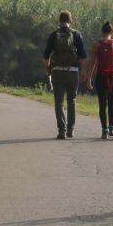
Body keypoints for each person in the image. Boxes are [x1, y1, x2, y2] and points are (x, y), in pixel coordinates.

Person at [42, 10, 88, 139]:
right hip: (73, 72)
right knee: (71, 101)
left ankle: (61, 131)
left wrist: (50, 68)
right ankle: (70, 130)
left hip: (57, 72)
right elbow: (83, 56)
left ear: (59, 21)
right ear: (70, 21)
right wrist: (84, 70)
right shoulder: (76, 35)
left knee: (59, 102)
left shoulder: (53, 35)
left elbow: (46, 58)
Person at [85, 21, 113, 139]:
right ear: (112, 32)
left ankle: (104, 130)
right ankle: (111, 129)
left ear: (102, 32)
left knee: (102, 104)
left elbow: (92, 63)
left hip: (101, 77)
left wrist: (89, 78)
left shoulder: (96, 45)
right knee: (111, 103)